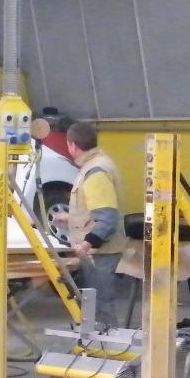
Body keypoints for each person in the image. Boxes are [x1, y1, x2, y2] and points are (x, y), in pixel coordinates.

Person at [53, 120, 131, 329]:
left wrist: (85, 245)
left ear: (72, 145)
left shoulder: (96, 171)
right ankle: (100, 349)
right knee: (94, 305)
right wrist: (70, 218)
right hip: (99, 251)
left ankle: (110, 350)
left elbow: (107, 218)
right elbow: (95, 209)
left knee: (101, 306)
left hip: (101, 253)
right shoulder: (96, 164)